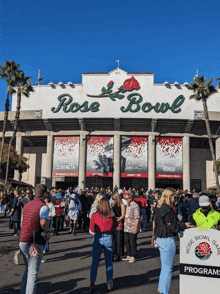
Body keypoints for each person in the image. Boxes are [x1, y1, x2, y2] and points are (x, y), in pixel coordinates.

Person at [154, 187, 190, 294]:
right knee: (168, 269)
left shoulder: (159, 207)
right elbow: (172, 226)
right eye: (174, 196)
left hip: (160, 238)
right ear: (170, 196)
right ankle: (164, 291)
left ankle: (161, 289)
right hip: (167, 239)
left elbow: (157, 223)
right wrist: (185, 225)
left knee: (164, 268)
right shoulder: (167, 209)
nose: (175, 198)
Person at [19, 184, 50, 294]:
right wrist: (47, 232)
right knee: (33, 273)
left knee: (28, 270)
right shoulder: (43, 206)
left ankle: (23, 291)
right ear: (45, 194)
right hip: (35, 241)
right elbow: (43, 222)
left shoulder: (27, 205)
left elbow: (22, 224)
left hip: (23, 240)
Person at [89, 198, 118, 292]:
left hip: (98, 237)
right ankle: (109, 282)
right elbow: (115, 226)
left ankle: (92, 282)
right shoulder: (112, 215)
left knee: (95, 262)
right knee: (109, 262)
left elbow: (92, 229)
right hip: (108, 236)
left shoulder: (95, 215)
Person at [122, 191, 140, 263]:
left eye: (127, 198)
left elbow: (137, 217)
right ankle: (129, 254)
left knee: (133, 242)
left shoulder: (135, 205)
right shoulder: (127, 205)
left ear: (131, 198)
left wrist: (135, 227)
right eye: (125, 198)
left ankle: (133, 255)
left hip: (132, 226)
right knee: (127, 241)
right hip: (126, 227)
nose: (126, 200)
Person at [111, 192, 126, 261]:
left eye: (114, 198)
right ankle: (114, 253)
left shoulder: (122, 204)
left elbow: (123, 215)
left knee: (119, 239)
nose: (113, 200)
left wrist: (118, 219)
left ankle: (120, 254)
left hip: (119, 222)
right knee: (114, 239)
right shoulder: (113, 204)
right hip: (114, 222)